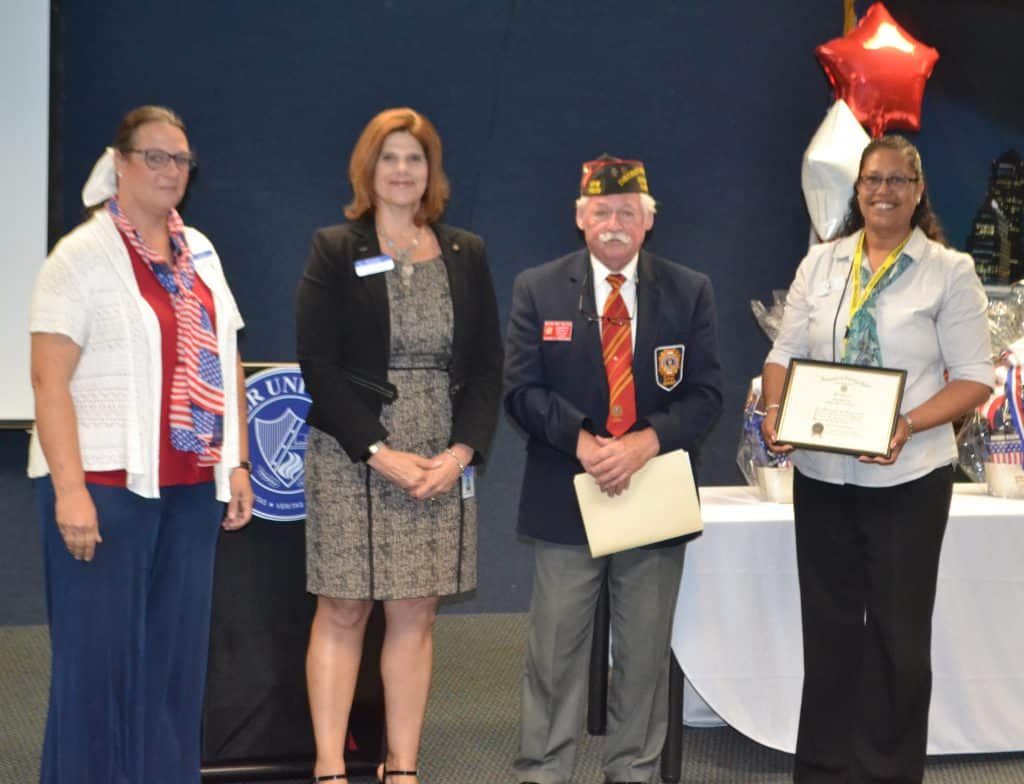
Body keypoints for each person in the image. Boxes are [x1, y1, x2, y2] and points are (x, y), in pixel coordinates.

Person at [29, 105, 253, 784]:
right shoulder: (81, 256)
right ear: (119, 163)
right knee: (96, 669)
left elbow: (229, 353)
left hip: (189, 492)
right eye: (153, 156)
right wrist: (70, 492)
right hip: (102, 491)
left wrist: (235, 462)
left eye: (180, 159)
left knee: (172, 671)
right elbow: (47, 381)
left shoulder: (202, 252)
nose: (169, 171)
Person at [761, 135, 993, 784]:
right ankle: (826, 768)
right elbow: (782, 353)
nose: (882, 191)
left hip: (910, 476)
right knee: (829, 627)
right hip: (824, 475)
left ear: (918, 191)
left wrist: (907, 423)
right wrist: (777, 412)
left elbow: (974, 378)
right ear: (856, 190)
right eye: (871, 180)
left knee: (898, 634)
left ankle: (888, 773)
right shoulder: (823, 264)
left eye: (896, 180)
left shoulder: (948, 271)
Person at [296, 107, 503, 784]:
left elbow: (488, 365)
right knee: (344, 607)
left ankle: (402, 767)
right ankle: (330, 769)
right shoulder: (335, 248)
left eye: (415, 159)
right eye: (390, 158)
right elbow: (317, 367)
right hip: (352, 453)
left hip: (439, 459)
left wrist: (461, 452)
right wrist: (378, 451)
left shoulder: (465, 253)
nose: (403, 171)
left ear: (431, 173)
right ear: (369, 168)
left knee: (414, 612)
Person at [504, 154, 723, 784]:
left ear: (650, 220)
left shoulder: (689, 290)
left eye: (628, 211)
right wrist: (581, 442)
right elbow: (520, 389)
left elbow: (706, 394)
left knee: (644, 656)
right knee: (554, 654)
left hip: (653, 494)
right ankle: (543, 771)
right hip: (567, 493)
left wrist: (645, 443)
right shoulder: (537, 288)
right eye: (601, 210)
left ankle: (633, 771)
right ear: (580, 218)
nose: (614, 222)